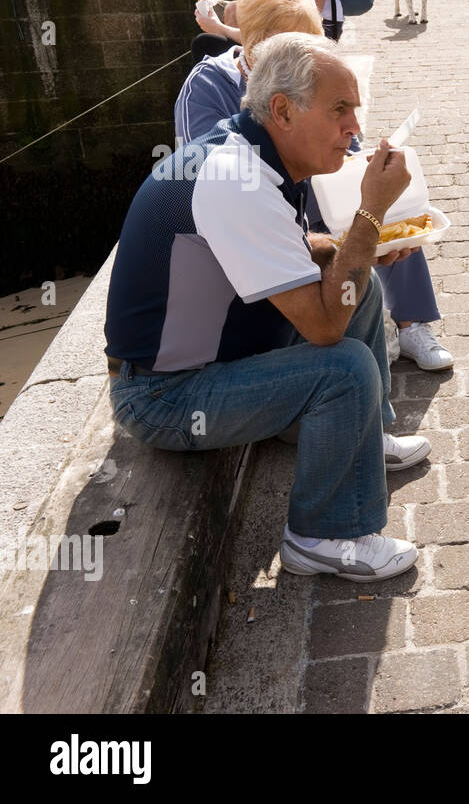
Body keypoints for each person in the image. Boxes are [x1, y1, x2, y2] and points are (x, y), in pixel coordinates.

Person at [107, 33, 430, 582]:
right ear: (282, 110)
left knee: (362, 285)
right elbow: (326, 329)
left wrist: (360, 248)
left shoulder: (253, 152)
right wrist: (371, 213)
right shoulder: (235, 179)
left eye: (355, 109)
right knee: (344, 369)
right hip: (162, 394)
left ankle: (365, 437)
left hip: (222, 361)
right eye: (339, 110)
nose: (355, 127)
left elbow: (295, 249)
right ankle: (324, 535)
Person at [177, 0, 455, 374]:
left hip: (308, 196)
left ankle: (410, 324)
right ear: (258, 45)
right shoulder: (210, 89)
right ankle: (353, 361)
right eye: (294, 45)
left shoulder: (307, 78)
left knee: (387, 208)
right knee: (366, 222)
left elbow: (344, 147)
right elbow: (210, 170)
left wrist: (359, 170)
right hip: (263, 210)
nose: (306, 56)